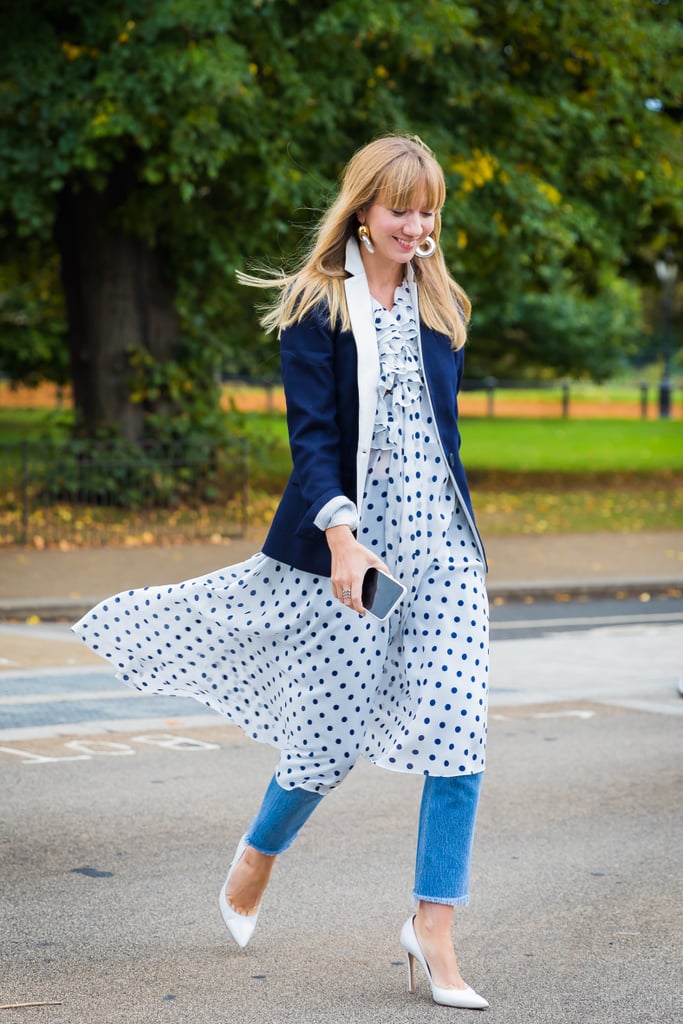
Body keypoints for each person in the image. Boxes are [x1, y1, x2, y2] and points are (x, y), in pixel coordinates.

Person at [73, 134, 490, 1010]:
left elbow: (438, 438)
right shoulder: (319, 305)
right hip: (354, 546)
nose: (417, 226)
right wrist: (340, 537)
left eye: (428, 210)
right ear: (363, 211)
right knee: (331, 739)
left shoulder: (441, 302)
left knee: (458, 736)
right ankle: (258, 853)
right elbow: (312, 439)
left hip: (443, 550)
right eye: (400, 210)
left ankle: (433, 928)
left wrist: (440, 528)